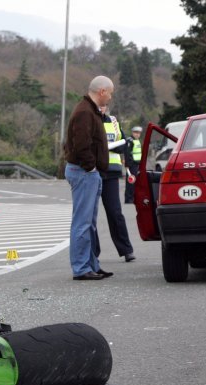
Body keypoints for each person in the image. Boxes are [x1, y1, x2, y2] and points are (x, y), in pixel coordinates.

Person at [63, 76, 115, 281]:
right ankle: (81, 268)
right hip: (84, 172)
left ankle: (91, 264)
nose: (110, 97)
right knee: (82, 223)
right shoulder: (85, 112)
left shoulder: (91, 111)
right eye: (110, 93)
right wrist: (91, 167)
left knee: (89, 224)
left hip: (89, 173)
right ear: (102, 91)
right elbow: (81, 144)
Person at [95, 104, 136, 263]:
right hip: (93, 171)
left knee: (115, 212)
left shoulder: (113, 122)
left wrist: (112, 147)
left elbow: (123, 143)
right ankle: (93, 253)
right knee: (91, 215)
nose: (101, 108)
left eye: (104, 106)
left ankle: (126, 250)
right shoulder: (89, 120)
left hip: (111, 172)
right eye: (99, 105)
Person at [124, 125, 143, 204]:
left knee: (135, 182)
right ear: (132, 132)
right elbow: (127, 153)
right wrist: (128, 164)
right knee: (131, 182)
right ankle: (129, 199)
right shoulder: (130, 140)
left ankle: (133, 197)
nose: (137, 134)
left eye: (139, 133)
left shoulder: (137, 140)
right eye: (136, 132)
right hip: (131, 164)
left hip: (137, 164)